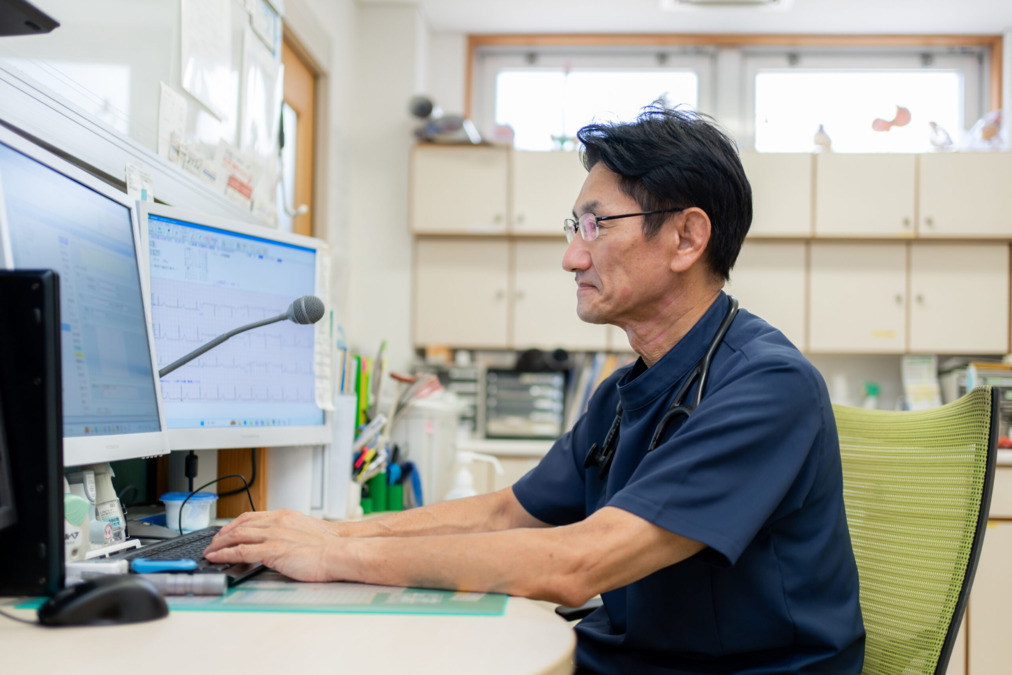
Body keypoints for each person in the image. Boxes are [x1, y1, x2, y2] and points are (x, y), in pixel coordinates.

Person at [205, 107, 865, 674]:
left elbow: (579, 560)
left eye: (596, 224)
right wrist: (330, 530)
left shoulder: (768, 387)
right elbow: (503, 514)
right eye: (573, 228)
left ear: (687, 237)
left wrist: (338, 555)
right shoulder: (622, 394)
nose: (572, 257)